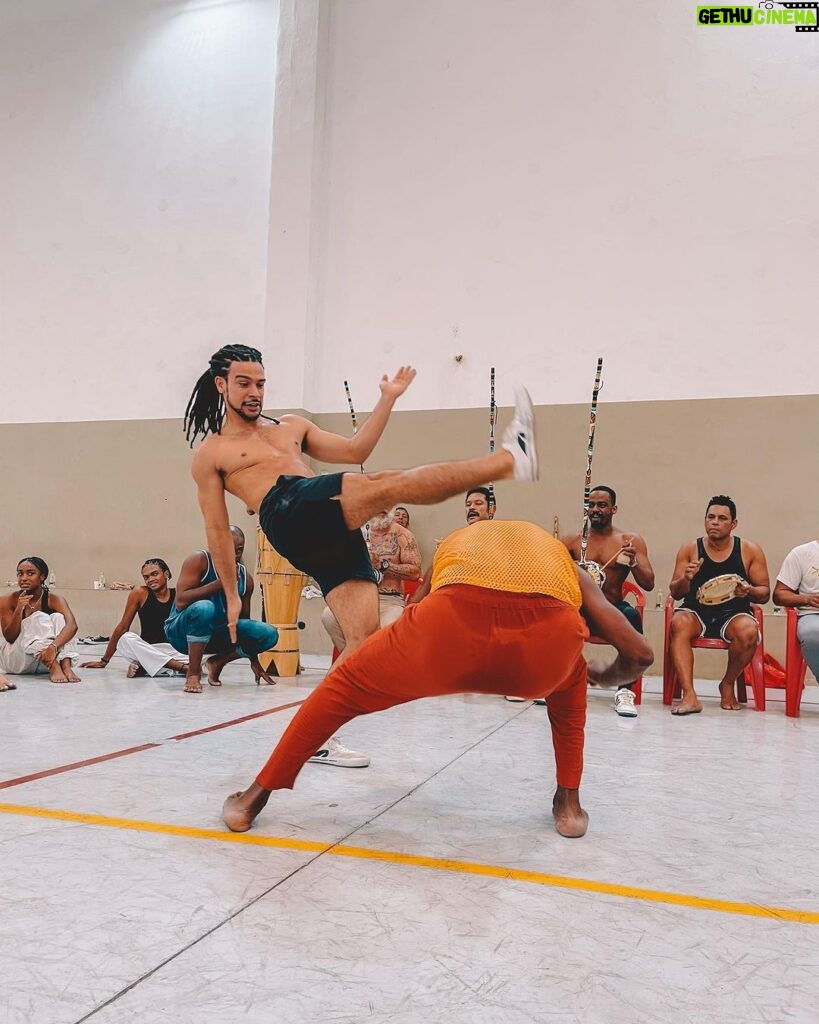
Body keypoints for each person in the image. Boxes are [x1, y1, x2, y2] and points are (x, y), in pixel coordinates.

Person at [222, 520, 653, 839]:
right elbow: (640, 654)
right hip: (540, 655)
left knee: (341, 688)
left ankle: (251, 800)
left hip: (444, 632)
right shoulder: (563, 564)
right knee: (571, 677)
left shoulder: (457, 544)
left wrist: (398, 662)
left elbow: (419, 608)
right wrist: (600, 676)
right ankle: (570, 806)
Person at [184, 345, 537, 664]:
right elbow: (217, 528)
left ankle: (316, 734)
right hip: (284, 509)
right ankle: (509, 460)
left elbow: (356, 451)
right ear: (221, 385)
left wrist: (387, 399)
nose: (255, 393)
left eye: (260, 384)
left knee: (363, 640)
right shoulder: (212, 452)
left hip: (323, 523)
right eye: (244, 383)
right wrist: (231, 594)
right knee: (385, 484)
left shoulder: (291, 425)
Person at [668, 495, 770, 715]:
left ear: (733, 524)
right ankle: (689, 695)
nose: (715, 522)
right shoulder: (689, 549)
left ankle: (727, 683)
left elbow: (764, 592)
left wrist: (749, 590)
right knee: (678, 623)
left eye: (722, 518)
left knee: (749, 631)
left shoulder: (749, 550)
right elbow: (675, 592)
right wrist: (686, 578)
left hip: (734, 612)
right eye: (710, 517)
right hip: (696, 611)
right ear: (705, 520)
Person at [562, 485, 655, 718]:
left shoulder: (628, 541)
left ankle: (625, 692)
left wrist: (633, 562)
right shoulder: (572, 542)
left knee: (632, 615)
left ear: (613, 509)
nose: (595, 509)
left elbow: (649, 583)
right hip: (580, 609)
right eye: (591, 505)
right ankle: (555, 682)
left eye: (601, 505)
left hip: (611, 610)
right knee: (556, 615)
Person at [164, 526, 280, 694]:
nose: (233, 554)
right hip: (180, 632)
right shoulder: (199, 560)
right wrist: (220, 584)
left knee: (269, 634)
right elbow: (181, 601)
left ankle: (217, 662)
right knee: (205, 607)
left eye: (238, 550)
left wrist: (253, 660)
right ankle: (193, 673)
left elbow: (244, 622)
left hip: (214, 634)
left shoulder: (245, 579)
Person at [322, 508, 421, 653]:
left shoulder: (403, 535)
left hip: (389, 601)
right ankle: (354, 660)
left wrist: (383, 565)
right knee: (328, 617)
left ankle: (367, 663)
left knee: (390, 628)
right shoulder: (356, 531)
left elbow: (415, 572)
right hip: (358, 598)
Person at [80, 558, 189, 678]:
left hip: (176, 651)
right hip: (148, 649)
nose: (150, 580)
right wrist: (104, 661)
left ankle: (146, 667)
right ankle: (182, 668)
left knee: (205, 655)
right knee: (125, 639)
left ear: (166, 574)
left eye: (154, 574)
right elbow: (123, 627)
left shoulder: (179, 594)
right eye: (146, 577)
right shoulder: (140, 593)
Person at [0, 557, 81, 684]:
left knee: (58, 618)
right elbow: (10, 638)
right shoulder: (6, 600)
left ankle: (66, 665)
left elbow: (72, 626)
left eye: (30, 573)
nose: (24, 578)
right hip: (15, 660)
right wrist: (19, 609)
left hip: (44, 657)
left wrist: (52, 648)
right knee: (39, 617)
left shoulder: (54, 599)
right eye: (20, 574)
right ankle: (54, 666)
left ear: (42, 577)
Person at [773, 538, 819, 680]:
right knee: (812, 634)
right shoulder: (801, 553)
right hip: (812, 614)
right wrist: (807, 599)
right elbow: (779, 594)